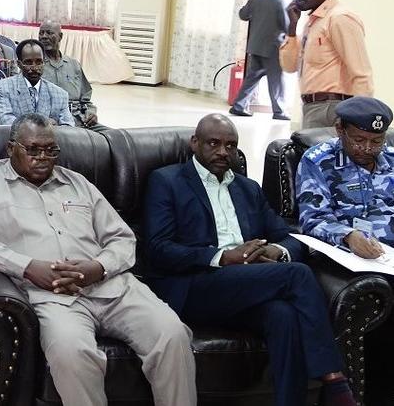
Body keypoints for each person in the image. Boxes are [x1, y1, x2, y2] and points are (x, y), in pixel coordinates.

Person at [0, 113, 196, 406]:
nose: (43, 158)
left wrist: (99, 267)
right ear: (11, 148)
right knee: (72, 353)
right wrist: (27, 267)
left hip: (113, 289)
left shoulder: (78, 183)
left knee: (172, 334)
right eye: (33, 150)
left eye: (51, 150)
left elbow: (123, 239)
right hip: (51, 298)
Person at [143, 113, 356, 406]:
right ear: (195, 143)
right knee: (296, 274)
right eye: (213, 143)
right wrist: (222, 257)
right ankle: (335, 381)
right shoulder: (167, 181)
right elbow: (158, 249)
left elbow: (292, 238)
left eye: (231, 145)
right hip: (194, 285)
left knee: (282, 316)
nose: (223, 151)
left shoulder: (248, 188)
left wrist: (276, 251)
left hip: (243, 286)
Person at [296, 97, 394, 255]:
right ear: (340, 130)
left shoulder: (391, 159)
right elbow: (313, 219)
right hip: (350, 254)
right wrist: (348, 236)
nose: (367, 148)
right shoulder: (319, 161)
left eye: (376, 141)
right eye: (359, 140)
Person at [280, 0, 372, 129]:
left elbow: (361, 73)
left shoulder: (339, 18)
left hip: (333, 109)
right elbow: (289, 66)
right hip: (312, 108)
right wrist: (291, 29)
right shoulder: (313, 23)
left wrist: (360, 119)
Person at [230, 0, 290, 120]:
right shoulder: (280, 1)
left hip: (255, 46)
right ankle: (279, 111)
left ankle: (238, 106)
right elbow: (287, 25)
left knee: (252, 78)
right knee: (276, 80)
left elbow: (243, 15)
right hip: (272, 48)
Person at [0, 40, 75, 127]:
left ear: (44, 62)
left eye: (39, 62)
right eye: (28, 63)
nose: (34, 67)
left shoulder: (60, 94)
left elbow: (68, 128)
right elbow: (7, 122)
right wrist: (46, 125)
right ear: (19, 64)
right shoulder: (3, 88)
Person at [37, 21, 102, 130]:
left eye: (49, 33)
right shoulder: (35, 66)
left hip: (79, 119)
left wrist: (91, 112)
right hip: (53, 122)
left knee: (113, 136)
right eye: (41, 33)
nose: (44, 36)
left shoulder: (73, 64)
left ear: (60, 36)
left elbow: (86, 99)